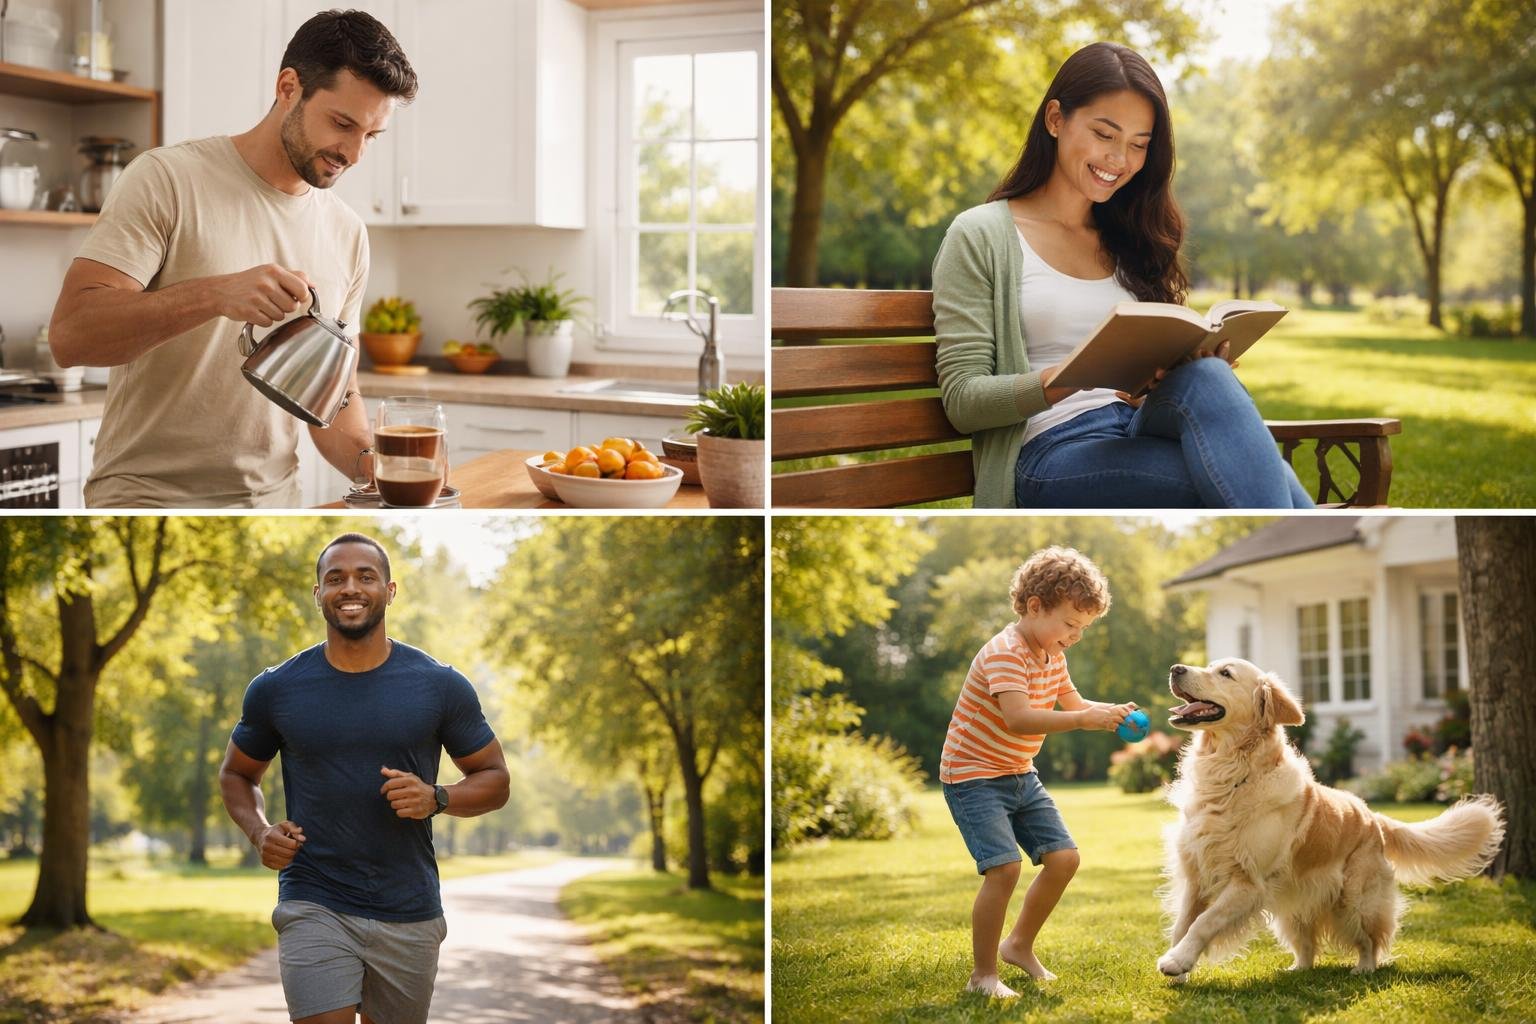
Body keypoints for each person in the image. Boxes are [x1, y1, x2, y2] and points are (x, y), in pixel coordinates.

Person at [47, 11, 419, 507]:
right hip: (146, 501)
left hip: (276, 506)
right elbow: (71, 336)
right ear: (288, 88)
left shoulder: (347, 232)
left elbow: (335, 394)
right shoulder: (167, 179)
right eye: (342, 124)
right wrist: (216, 294)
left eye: (371, 136)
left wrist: (378, 469)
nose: (353, 153)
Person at [932, 41, 1314, 510]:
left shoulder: (1131, 238)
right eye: (1104, 134)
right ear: (1055, 119)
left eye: (1138, 145)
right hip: (1052, 450)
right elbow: (962, 400)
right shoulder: (981, 235)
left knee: (1209, 377)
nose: (1119, 159)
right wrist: (1073, 375)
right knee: (1252, 475)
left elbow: (1148, 382)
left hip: (1137, 425)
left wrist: (1177, 365)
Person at [218, 533, 511, 1024]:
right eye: (335, 578)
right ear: (318, 594)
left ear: (389, 591)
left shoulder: (439, 685)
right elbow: (237, 773)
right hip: (314, 898)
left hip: (409, 906)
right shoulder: (277, 689)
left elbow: (495, 778)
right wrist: (259, 831)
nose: (350, 588)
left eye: (365, 576)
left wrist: (437, 797)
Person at [939, 546, 1136, 997]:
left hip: (1018, 772)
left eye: (1083, 628)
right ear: (1034, 606)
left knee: (1064, 859)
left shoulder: (1052, 654)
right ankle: (983, 976)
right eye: (1070, 624)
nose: (1076, 636)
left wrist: (1110, 712)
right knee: (1004, 869)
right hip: (972, 775)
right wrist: (1083, 720)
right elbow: (1019, 718)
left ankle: (1019, 945)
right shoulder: (1006, 653)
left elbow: (1075, 704)